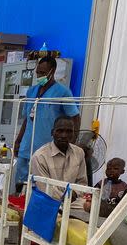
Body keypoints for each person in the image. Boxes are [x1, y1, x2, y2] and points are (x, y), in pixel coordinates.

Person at [30, 115, 89, 245]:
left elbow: (82, 182)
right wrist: (67, 199)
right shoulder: (40, 156)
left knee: (94, 214)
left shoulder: (79, 153)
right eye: (60, 131)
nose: (64, 135)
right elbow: (44, 188)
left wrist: (75, 196)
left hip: (73, 200)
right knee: (64, 225)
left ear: (74, 134)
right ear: (52, 133)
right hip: (46, 202)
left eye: (68, 131)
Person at [14, 56, 81, 192]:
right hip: (27, 146)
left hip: (47, 149)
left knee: (42, 186)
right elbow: (27, 118)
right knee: (20, 182)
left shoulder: (62, 92)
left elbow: (75, 117)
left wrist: (72, 143)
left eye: (43, 73)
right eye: (38, 72)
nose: (39, 76)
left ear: (53, 71)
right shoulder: (32, 91)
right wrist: (18, 141)